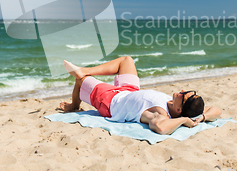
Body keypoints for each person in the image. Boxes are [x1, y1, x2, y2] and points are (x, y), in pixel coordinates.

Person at [59, 56, 222, 135]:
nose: (181, 91)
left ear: (179, 110)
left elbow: (160, 127)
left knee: (81, 80)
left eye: (184, 95)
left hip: (111, 101)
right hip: (130, 91)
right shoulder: (181, 106)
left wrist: (184, 121)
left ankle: (74, 106)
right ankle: (85, 69)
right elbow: (217, 110)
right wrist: (202, 118)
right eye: (186, 91)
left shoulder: (160, 114)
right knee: (126, 60)